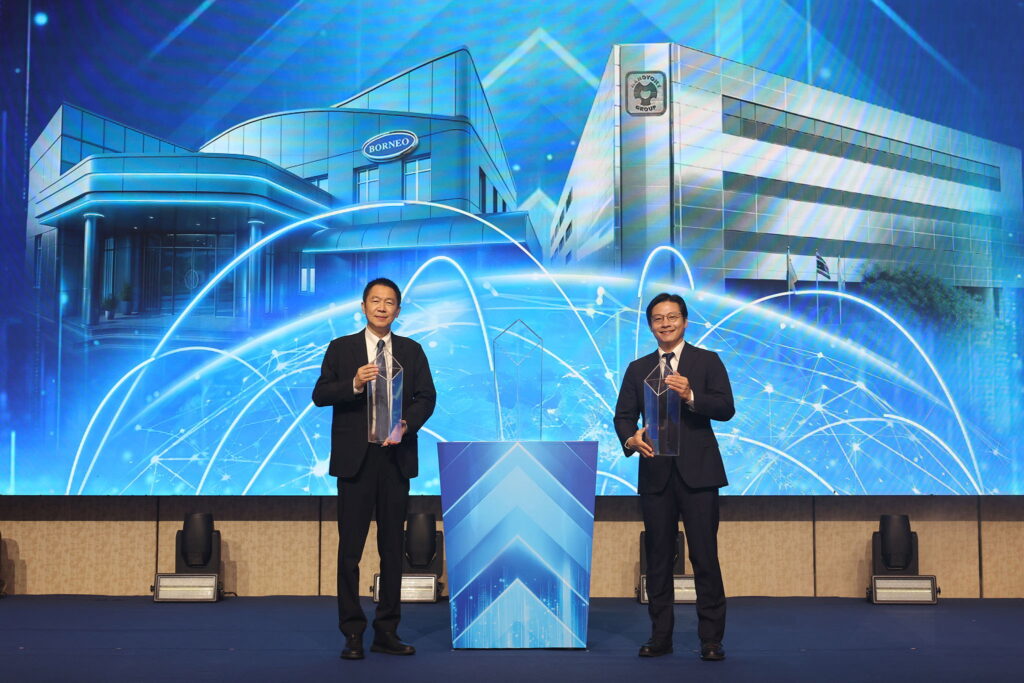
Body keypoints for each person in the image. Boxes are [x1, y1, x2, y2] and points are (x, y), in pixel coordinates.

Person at [312, 277, 436, 660]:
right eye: (375, 301)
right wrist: (353, 383)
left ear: (398, 310)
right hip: (356, 462)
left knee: (392, 550)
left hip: (395, 460)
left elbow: (426, 397)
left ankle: (387, 631)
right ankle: (352, 632)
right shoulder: (342, 348)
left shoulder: (412, 351)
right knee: (350, 551)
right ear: (363, 307)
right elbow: (320, 394)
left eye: (390, 302)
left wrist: (405, 425)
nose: (382, 307)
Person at [614, 292, 735, 661]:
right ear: (650, 325)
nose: (665, 324)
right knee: (658, 558)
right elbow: (623, 416)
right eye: (658, 318)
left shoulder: (707, 360)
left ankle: (711, 640)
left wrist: (692, 394)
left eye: (672, 317)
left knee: (705, 557)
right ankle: (660, 636)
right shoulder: (638, 368)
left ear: (684, 321)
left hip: (699, 474)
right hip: (656, 474)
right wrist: (631, 439)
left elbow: (726, 408)